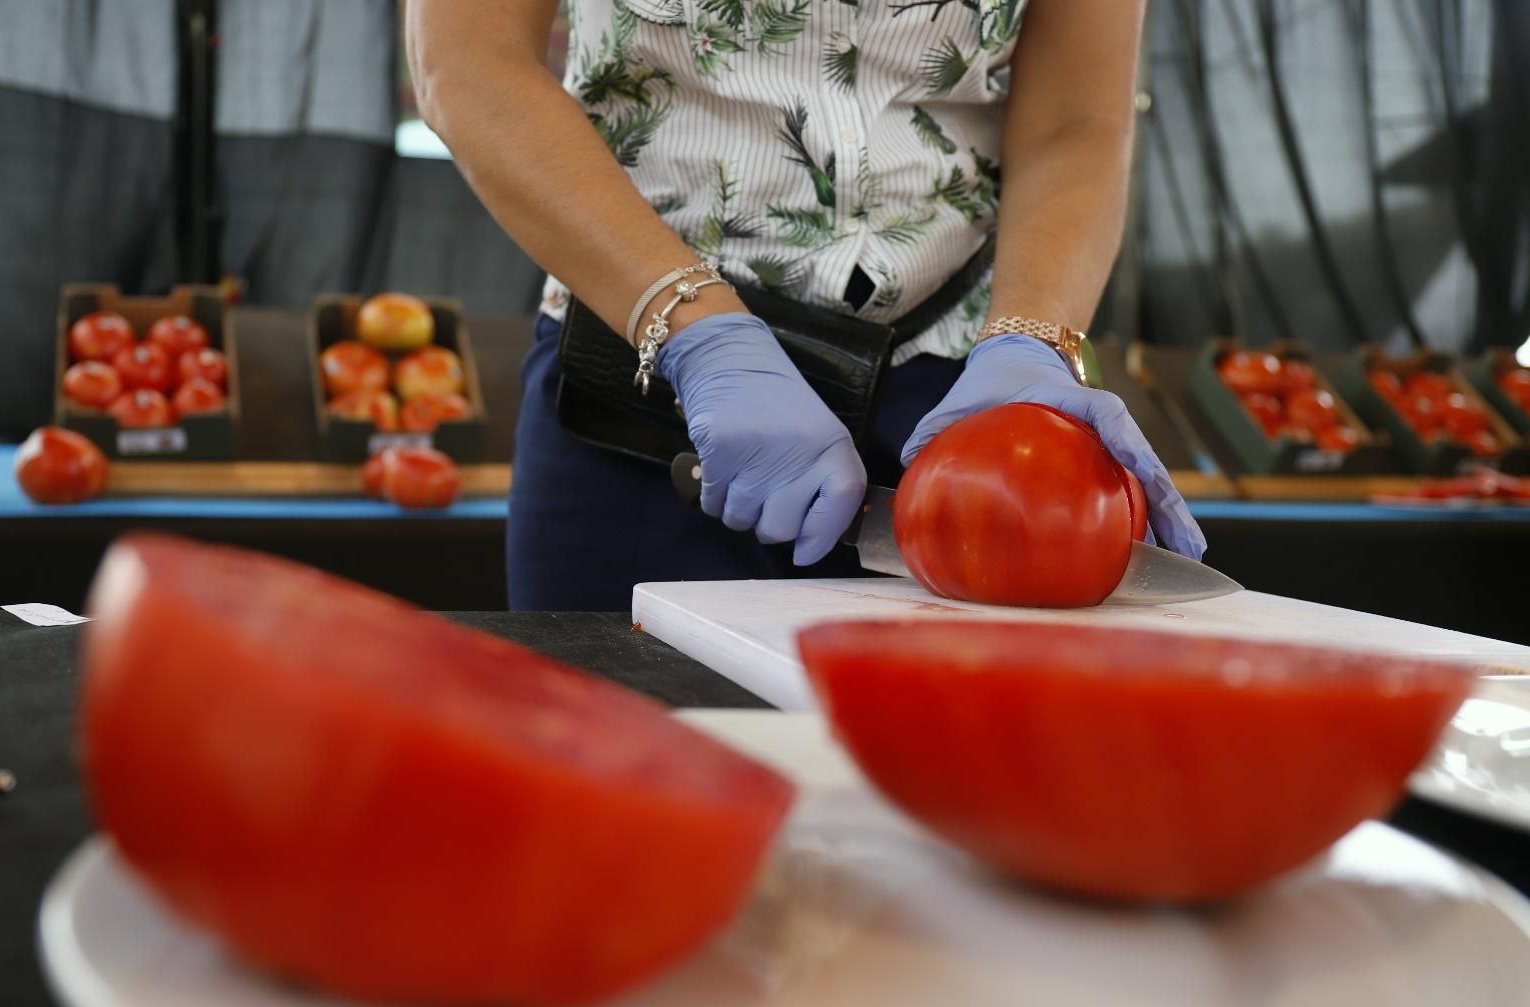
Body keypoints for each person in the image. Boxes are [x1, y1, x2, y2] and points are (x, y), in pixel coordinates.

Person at [408, 0, 1204, 610]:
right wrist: (694, 324)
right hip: (644, 390)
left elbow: (1078, 121)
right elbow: (467, 60)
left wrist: (1032, 334)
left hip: (961, 413)